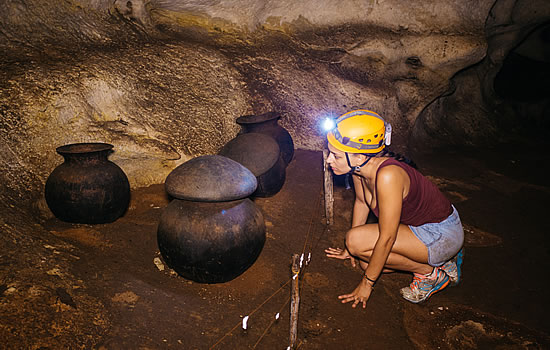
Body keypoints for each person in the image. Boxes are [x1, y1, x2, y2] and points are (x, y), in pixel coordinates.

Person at [323, 109, 464, 308]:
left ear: (360, 156)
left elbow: (387, 237)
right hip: (421, 228)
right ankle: (437, 261)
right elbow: (362, 203)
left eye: (336, 156)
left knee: (359, 246)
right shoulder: (358, 169)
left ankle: (430, 273)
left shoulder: (388, 176)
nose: (329, 160)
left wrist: (367, 284)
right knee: (364, 260)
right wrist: (350, 251)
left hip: (441, 232)